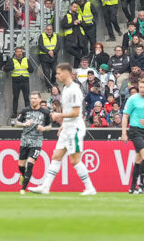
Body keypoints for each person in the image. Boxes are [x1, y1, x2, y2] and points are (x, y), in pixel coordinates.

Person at [30, 64, 96, 195]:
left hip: (75, 129)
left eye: (58, 73)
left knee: (75, 160)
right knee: (56, 156)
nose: (56, 76)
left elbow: (76, 112)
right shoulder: (65, 88)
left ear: (66, 73)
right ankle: (45, 187)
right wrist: (63, 125)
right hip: (67, 128)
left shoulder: (74, 90)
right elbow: (69, 111)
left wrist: (59, 115)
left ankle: (90, 188)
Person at [17, 92, 54, 194]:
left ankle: (23, 189)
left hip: (37, 141)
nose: (33, 100)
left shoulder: (45, 112)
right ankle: (23, 175)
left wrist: (44, 128)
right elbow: (16, 123)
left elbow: (50, 126)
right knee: (21, 166)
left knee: (30, 163)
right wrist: (24, 124)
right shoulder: (25, 110)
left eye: (35, 98)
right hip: (25, 141)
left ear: (39, 100)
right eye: (31, 98)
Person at [2, 45, 32, 116]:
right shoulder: (12, 60)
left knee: (26, 98)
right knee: (15, 98)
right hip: (16, 82)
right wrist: (12, 67)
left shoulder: (26, 60)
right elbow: (5, 69)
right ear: (15, 53)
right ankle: (14, 113)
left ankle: (28, 113)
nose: (19, 53)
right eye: (18, 52)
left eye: (21, 52)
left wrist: (28, 67)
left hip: (25, 81)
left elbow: (32, 70)